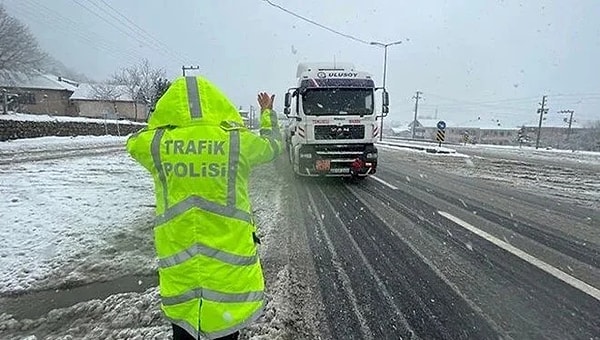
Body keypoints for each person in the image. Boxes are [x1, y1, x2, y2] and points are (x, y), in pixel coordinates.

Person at [126, 75, 282, 340]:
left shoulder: (157, 145)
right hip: (228, 280)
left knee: (184, 333)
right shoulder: (236, 142)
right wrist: (267, 115)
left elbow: (134, 141)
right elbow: (273, 146)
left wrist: (162, 120)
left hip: (182, 278)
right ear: (217, 103)